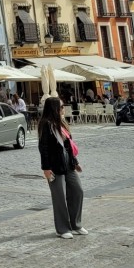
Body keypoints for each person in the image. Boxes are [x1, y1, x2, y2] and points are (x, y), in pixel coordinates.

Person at [38, 97, 86, 239]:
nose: (63, 109)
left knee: (77, 191)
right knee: (59, 197)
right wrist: (46, 168)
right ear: (54, 108)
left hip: (68, 164)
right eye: (61, 106)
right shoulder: (46, 125)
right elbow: (43, 148)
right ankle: (62, 228)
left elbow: (68, 146)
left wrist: (75, 162)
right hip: (54, 166)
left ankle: (75, 224)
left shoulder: (62, 123)